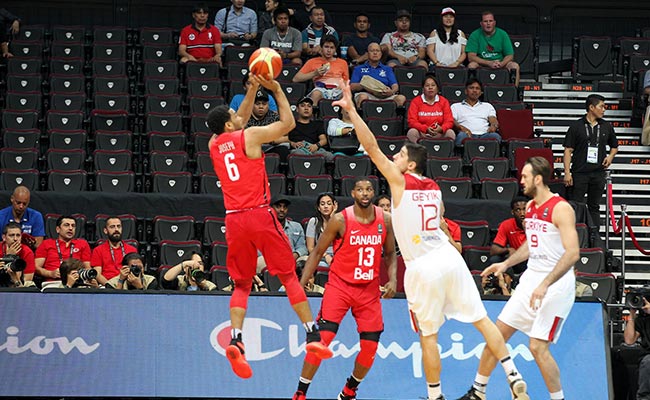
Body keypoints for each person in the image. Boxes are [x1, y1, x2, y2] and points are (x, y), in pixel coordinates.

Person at [333, 79, 529, 400]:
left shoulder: (399, 180)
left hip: (423, 266)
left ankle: (434, 396)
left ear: (410, 165)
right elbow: (437, 223)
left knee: (429, 336)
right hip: (450, 259)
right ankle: (512, 373)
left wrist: (353, 112)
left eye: (399, 155)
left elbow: (370, 147)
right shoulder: (435, 188)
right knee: (481, 320)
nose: (393, 157)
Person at [206, 73, 332, 379]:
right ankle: (312, 335)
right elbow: (288, 125)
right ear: (228, 124)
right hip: (260, 214)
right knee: (288, 275)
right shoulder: (249, 137)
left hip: (233, 219)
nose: (239, 116)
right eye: (234, 115)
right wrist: (275, 89)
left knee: (241, 284)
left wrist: (250, 89)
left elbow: (241, 118)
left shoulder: (213, 143)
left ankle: (236, 339)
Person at [459, 156, 579, 400]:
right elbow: (530, 246)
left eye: (524, 176)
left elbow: (573, 253)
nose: (520, 180)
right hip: (531, 279)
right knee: (496, 334)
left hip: (555, 285)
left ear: (538, 178)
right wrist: (504, 264)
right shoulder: (532, 206)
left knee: (537, 347)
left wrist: (545, 284)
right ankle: (478, 392)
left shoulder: (561, 208)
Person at [292, 177, 397, 400]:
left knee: (370, 348)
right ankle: (301, 393)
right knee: (322, 341)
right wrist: (300, 284)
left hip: (368, 290)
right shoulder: (340, 220)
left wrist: (393, 280)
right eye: (360, 189)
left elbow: (390, 254)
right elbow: (318, 252)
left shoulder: (385, 219)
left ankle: (350, 389)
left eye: (369, 189)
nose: (365, 193)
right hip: (340, 286)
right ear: (353, 193)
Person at [562, 94, 618, 229]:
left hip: (598, 172)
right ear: (591, 107)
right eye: (601, 106)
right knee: (576, 204)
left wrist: (610, 156)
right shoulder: (576, 126)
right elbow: (568, 150)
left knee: (594, 205)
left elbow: (615, 146)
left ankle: (594, 236)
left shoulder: (606, 126)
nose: (604, 110)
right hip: (579, 172)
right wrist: (567, 172)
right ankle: (574, 233)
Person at [465, 11, 520, 87]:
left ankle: (514, 93)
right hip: (482, 64)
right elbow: (471, 57)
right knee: (471, 65)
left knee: (515, 66)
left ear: (494, 22)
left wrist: (501, 64)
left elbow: (510, 55)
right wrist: (488, 63)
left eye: (490, 21)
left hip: (500, 63)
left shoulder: (502, 34)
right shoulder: (475, 35)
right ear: (481, 23)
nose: (488, 23)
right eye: (485, 21)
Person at [257, 196, 309, 273]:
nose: (282, 210)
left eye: (285, 207)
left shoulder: (296, 226)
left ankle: (304, 284)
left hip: (291, 258)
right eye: (278, 206)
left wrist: (295, 255)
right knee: (259, 261)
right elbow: (258, 249)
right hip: (269, 259)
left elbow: (302, 247)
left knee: (307, 260)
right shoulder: (262, 227)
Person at [293, 35, 348, 105]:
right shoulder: (312, 61)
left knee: (346, 95)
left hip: (338, 90)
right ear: (321, 48)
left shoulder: (342, 63)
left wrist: (342, 85)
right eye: (326, 47)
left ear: (335, 49)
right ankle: (313, 115)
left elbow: (346, 81)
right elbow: (296, 79)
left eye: (332, 48)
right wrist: (315, 73)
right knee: (316, 94)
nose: (329, 50)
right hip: (320, 89)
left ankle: (345, 116)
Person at [35, 216, 91, 283]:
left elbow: (87, 267)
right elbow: (36, 267)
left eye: (73, 226)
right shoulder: (46, 244)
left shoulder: (83, 244)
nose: (70, 228)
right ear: (58, 229)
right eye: (66, 225)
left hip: (77, 282)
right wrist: (50, 273)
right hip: (53, 283)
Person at [349, 42, 406, 108]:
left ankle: (394, 117)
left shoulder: (387, 69)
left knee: (401, 98)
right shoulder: (358, 68)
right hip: (367, 94)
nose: (375, 53)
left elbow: (395, 85)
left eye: (377, 51)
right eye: (372, 51)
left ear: (381, 54)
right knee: (362, 97)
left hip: (385, 95)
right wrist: (365, 85)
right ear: (367, 54)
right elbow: (352, 87)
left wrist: (391, 91)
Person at [451, 78, 501, 146]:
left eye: (477, 88)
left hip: (485, 134)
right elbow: (452, 120)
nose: (474, 90)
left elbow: (493, 119)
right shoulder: (456, 106)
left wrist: (494, 126)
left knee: (495, 136)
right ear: (466, 91)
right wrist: (462, 128)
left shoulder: (487, 106)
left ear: (481, 92)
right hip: (466, 134)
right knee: (461, 136)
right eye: (471, 88)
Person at [407, 73, 455, 143]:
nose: (430, 87)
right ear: (423, 89)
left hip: (439, 133)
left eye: (433, 85)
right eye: (427, 85)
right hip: (422, 133)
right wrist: (425, 128)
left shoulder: (444, 101)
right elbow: (412, 121)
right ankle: (418, 152)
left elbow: (449, 121)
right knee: (412, 132)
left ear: (437, 88)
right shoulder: (416, 101)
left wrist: (441, 129)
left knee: (450, 133)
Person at [90, 216, 138, 286]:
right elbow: (98, 274)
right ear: (105, 231)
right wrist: (110, 287)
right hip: (107, 285)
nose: (116, 229)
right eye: (112, 227)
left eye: (118, 226)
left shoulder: (132, 249)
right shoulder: (98, 250)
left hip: (127, 285)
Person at [489, 196, 528, 274]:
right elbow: (493, 250)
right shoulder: (506, 225)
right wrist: (508, 249)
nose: (522, 213)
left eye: (525, 209)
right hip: (515, 260)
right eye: (518, 210)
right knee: (495, 259)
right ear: (512, 212)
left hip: (532, 259)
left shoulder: (536, 224)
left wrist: (527, 230)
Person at [624, 297, 650, 400]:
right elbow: (629, 340)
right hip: (647, 357)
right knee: (648, 361)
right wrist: (631, 316)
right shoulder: (642, 320)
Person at [305, 192, 337, 268]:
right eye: (322, 204)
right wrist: (325, 256)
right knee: (321, 265)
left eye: (329, 204)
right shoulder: (313, 222)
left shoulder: (339, 222)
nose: (326, 206)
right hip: (319, 257)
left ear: (334, 206)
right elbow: (310, 248)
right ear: (319, 208)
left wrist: (333, 219)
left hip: (337, 256)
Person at [0, 222, 36, 287]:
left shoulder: (27, 252)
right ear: (4, 237)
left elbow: (27, 282)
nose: (15, 239)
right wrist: (8, 256)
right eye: (11, 235)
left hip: (18, 285)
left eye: (18, 235)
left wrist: (15, 279)